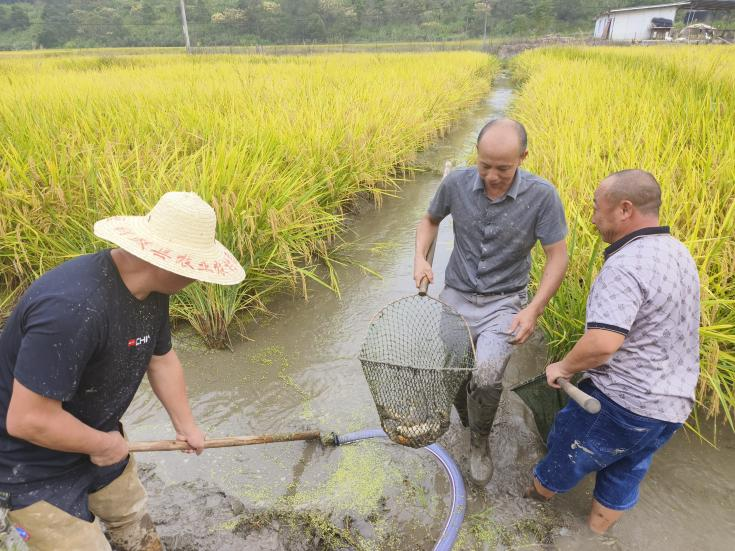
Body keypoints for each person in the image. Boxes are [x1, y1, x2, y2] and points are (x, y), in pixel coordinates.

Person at [0, 192, 246, 551]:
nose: (199, 278)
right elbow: (27, 420)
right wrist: (103, 444)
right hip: (28, 464)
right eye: (195, 268)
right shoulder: (72, 309)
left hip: (99, 438)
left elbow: (160, 359)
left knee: (133, 520)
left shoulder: (151, 289)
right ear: (164, 261)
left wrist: (186, 425)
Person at [527, 170, 700, 535]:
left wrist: (563, 366)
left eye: (596, 208)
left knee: (563, 456)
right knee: (625, 472)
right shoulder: (677, 251)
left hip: (621, 404)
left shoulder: (625, 265)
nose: (592, 218)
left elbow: (603, 343)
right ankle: (594, 536)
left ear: (625, 209)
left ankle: (530, 512)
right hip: (670, 408)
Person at [414, 118, 569, 485]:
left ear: (522, 158)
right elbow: (429, 220)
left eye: (503, 168)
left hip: (504, 301)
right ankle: (469, 417)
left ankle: (479, 440)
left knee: (486, 375)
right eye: (485, 166)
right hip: (456, 295)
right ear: (477, 157)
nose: (492, 176)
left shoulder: (542, 196)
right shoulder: (455, 183)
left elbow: (557, 257)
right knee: (456, 368)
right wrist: (420, 257)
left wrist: (533, 309)